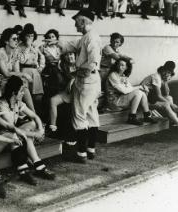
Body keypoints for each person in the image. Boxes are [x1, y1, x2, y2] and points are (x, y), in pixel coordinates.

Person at [0, 76, 55, 185]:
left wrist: (40, 129)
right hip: (0, 139)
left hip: (14, 135)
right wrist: (35, 134)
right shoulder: (1, 104)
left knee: (31, 124)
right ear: (14, 92)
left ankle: (29, 167)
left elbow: (35, 117)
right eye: (21, 91)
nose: (23, 93)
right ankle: (31, 168)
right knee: (16, 135)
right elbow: (12, 127)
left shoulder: (17, 103)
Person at [64, 9, 101, 163]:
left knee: (79, 115)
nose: (75, 25)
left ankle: (81, 153)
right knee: (92, 115)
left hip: (87, 81)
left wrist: (79, 73)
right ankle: (90, 150)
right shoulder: (86, 37)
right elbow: (69, 45)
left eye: (76, 22)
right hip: (93, 82)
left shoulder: (91, 38)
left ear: (84, 21)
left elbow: (92, 63)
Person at [0, 27, 35, 112]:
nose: (17, 41)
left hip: (8, 81)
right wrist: (24, 75)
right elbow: (6, 73)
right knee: (19, 84)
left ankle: (32, 113)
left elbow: (16, 72)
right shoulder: (0, 52)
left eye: (17, 39)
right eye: (14, 39)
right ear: (6, 41)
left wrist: (22, 78)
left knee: (23, 85)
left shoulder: (15, 53)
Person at [105, 58, 156, 125]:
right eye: (119, 64)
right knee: (138, 92)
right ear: (116, 65)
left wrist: (142, 87)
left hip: (121, 98)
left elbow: (130, 88)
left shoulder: (123, 76)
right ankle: (132, 117)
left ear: (126, 67)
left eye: (123, 65)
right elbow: (124, 91)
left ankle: (147, 116)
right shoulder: (113, 75)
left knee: (141, 93)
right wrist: (139, 87)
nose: (121, 67)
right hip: (114, 101)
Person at [140, 61, 178, 126]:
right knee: (166, 104)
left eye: (169, 72)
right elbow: (158, 96)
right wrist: (172, 105)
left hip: (150, 98)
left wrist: (165, 81)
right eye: (166, 71)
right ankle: (176, 121)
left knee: (169, 98)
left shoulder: (160, 78)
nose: (167, 74)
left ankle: (175, 120)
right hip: (142, 100)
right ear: (162, 69)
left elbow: (167, 94)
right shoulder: (156, 77)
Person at [17, 24, 44, 112]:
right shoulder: (19, 47)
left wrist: (41, 67)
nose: (30, 38)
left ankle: (38, 116)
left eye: (32, 36)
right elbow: (22, 61)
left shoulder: (35, 46)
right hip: (24, 70)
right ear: (24, 36)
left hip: (35, 72)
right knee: (25, 95)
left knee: (38, 96)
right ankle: (28, 115)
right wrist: (28, 47)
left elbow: (42, 56)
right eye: (28, 35)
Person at [39, 29, 64, 97]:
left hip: (59, 68)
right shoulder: (43, 48)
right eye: (49, 37)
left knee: (60, 81)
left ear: (56, 38)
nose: (51, 39)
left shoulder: (59, 48)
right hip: (48, 68)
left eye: (53, 36)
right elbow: (39, 58)